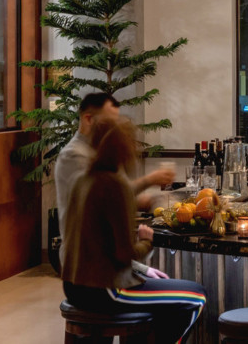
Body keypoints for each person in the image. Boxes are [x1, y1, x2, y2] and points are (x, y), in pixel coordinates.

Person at [60, 115, 207, 344]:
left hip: (74, 287)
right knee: (196, 296)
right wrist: (147, 241)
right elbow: (124, 255)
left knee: (165, 297)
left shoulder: (83, 178)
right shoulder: (113, 185)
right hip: (106, 291)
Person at [54, 93, 175, 275]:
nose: (117, 131)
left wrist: (147, 200)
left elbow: (113, 200)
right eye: (111, 124)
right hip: (88, 262)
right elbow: (107, 198)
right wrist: (150, 180)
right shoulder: (74, 156)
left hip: (108, 258)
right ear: (88, 119)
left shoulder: (104, 155)